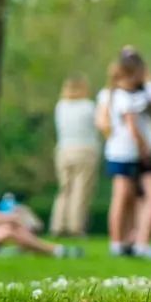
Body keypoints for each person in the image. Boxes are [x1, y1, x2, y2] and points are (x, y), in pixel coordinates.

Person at [96, 54, 151, 260]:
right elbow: (132, 126)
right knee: (123, 196)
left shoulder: (113, 94)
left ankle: (125, 241)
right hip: (126, 152)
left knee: (126, 197)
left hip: (120, 150)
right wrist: (143, 148)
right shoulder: (123, 96)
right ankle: (119, 242)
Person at [119, 46, 151, 259]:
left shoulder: (145, 91)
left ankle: (134, 238)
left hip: (132, 149)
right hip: (136, 150)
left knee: (137, 198)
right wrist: (142, 146)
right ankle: (140, 241)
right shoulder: (126, 95)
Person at [49, 74, 100, 238]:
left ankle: (58, 225)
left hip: (64, 149)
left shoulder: (61, 106)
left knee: (64, 189)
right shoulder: (88, 106)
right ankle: (75, 226)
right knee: (80, 189)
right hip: (85, 148)